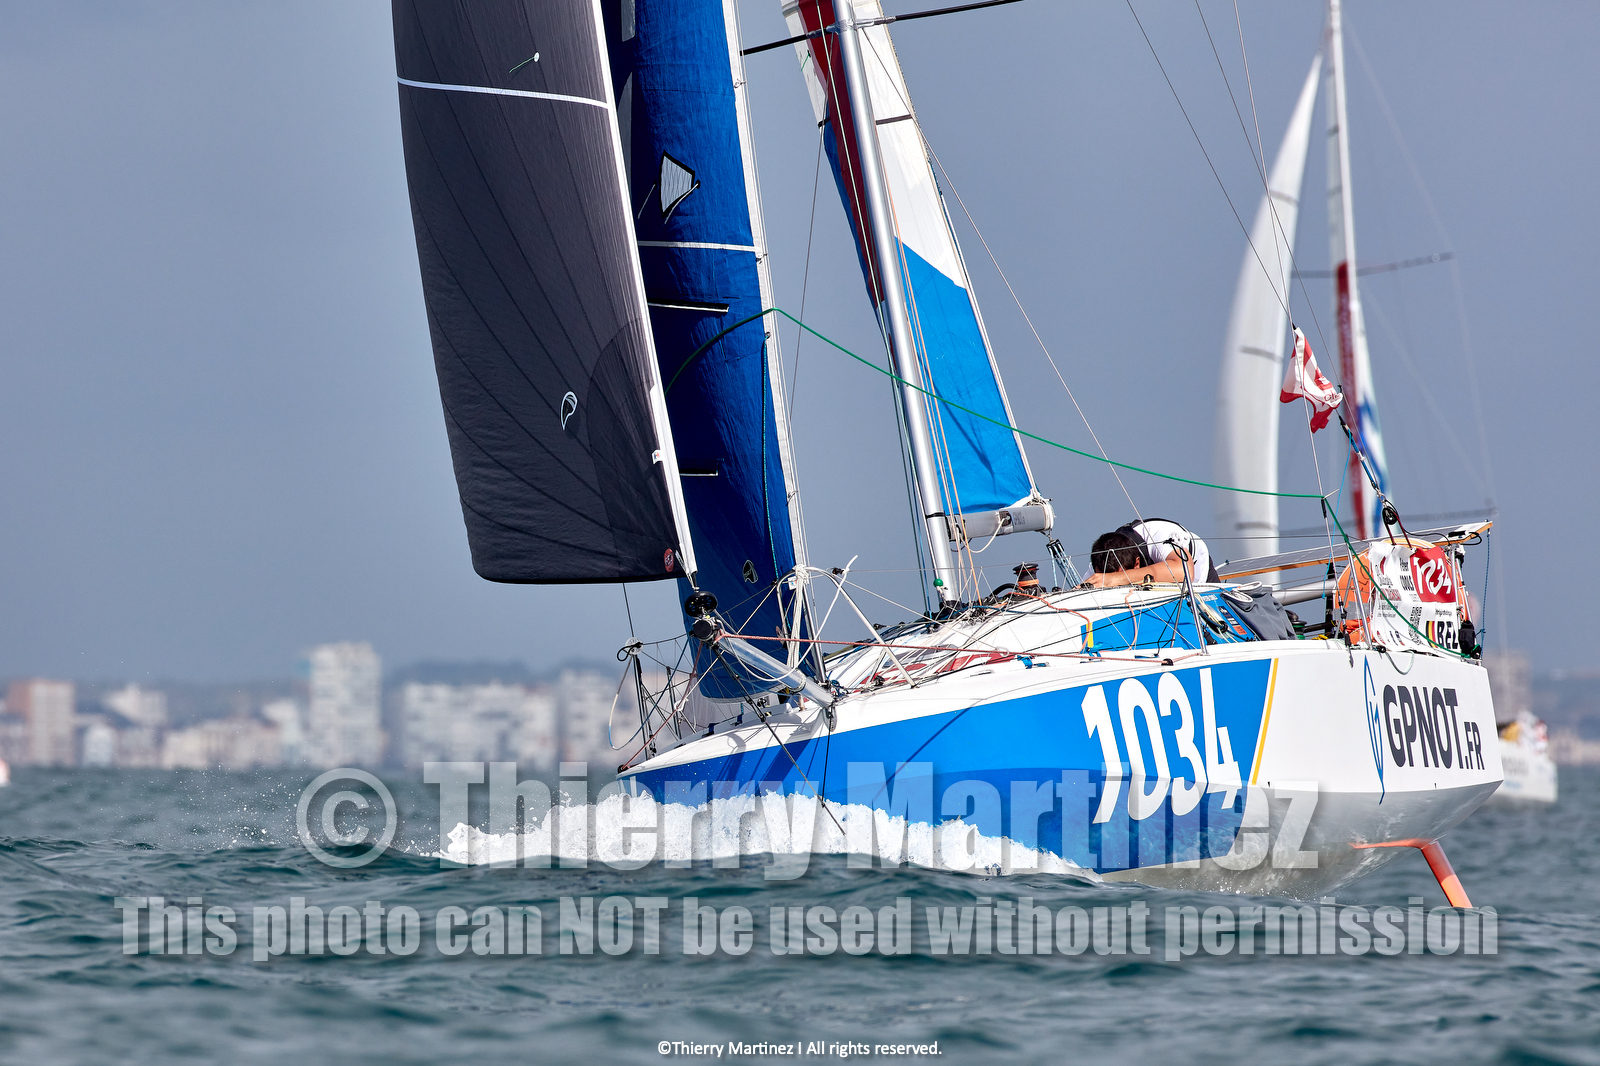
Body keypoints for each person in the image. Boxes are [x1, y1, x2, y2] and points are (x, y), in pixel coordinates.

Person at [1083, 518, 1219, 588]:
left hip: (1199, 578)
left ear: (1136, 563)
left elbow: (1184, 572)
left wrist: (1115, 580)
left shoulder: (1158, 534)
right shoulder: (1101, 565)